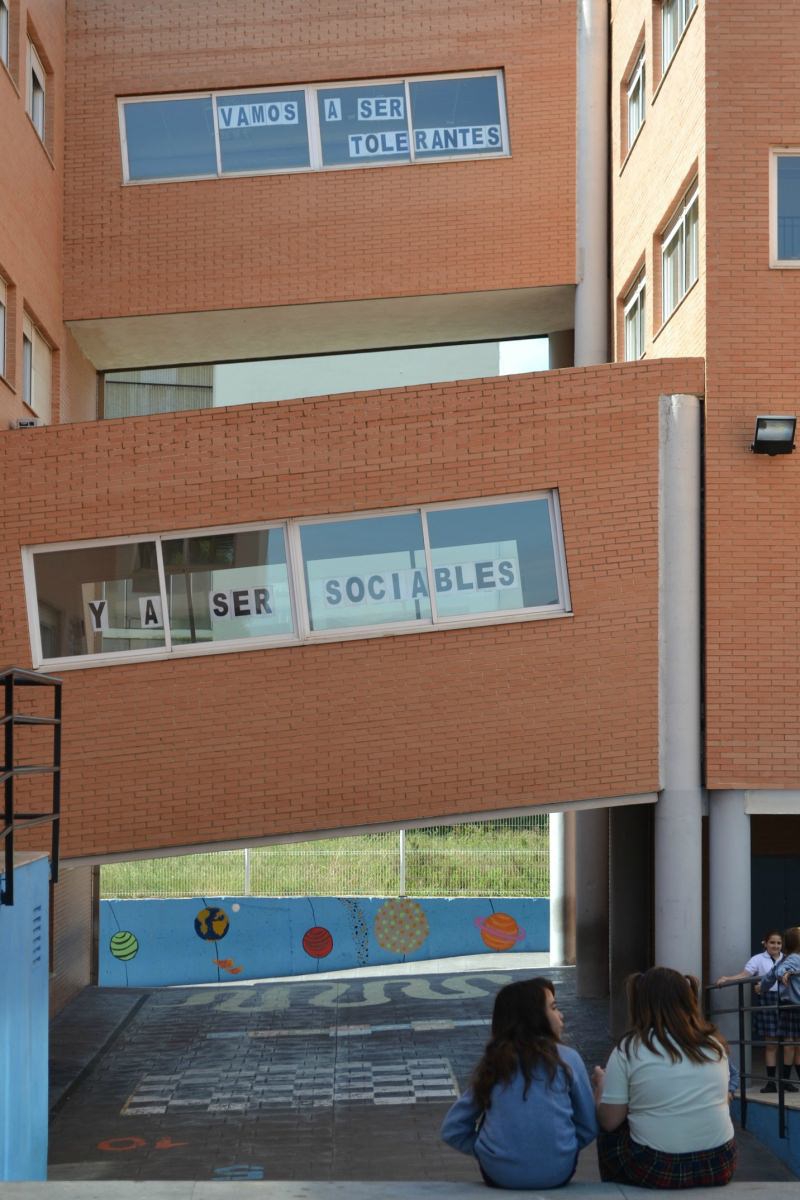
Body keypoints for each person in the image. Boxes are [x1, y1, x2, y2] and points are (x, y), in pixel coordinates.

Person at [440, 977, 597, 1188]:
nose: (561, 1015)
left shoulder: (494, 1063)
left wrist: (487, 1151)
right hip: (558, 1173)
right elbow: (588, 1126)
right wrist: (561, 1148)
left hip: (500, 1174)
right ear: (536, 1017)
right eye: (554, 1008)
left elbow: (452, 1129)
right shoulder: (568, 1059)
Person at [593, 967, 737, 1189]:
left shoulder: (629, 1049)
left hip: (656, 1166)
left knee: (610, 1130)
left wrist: (601, 1088)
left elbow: (610, 1121)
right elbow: (723, 1099)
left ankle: (616, 1189)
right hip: (719, 1163)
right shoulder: (714, 1045)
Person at [716, 929, 792, 1093]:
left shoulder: (787, 959)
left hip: (786, 1000)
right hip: (767, 1000)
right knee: (771, 1044)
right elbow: (745, 974)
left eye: (779, 943)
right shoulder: (757, 959)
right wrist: (727, 978)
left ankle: (786, 1081)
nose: (776, 946)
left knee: (788, 1043)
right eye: (772, 942)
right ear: (765, 943)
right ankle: (771, 1083)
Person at [755, 925, 800, 1088]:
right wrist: (785, 974)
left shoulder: (787, 958)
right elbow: (779, 971)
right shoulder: (793, 958)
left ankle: (786, 1081)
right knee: (791, 1043)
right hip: (793, 1005)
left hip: (791, 1005)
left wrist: (762, 987)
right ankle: (785, 1081)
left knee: (793, 1044)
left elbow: (771, 975)